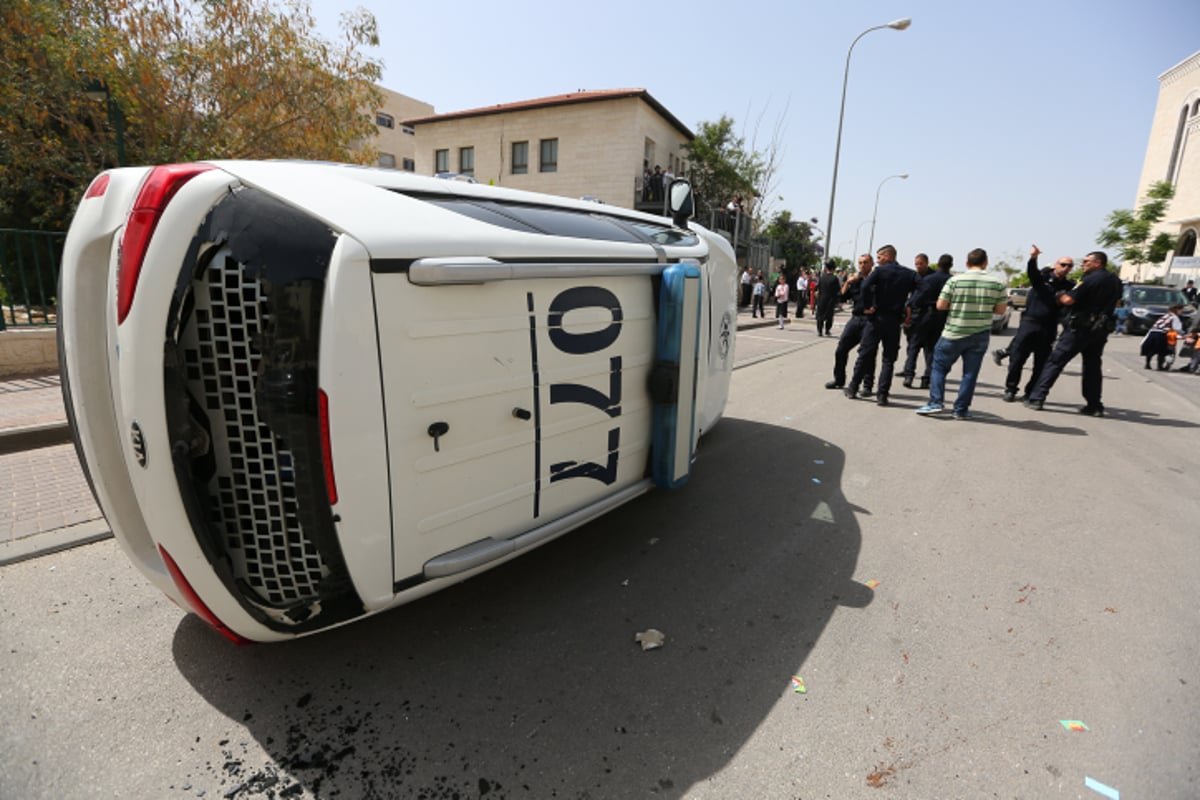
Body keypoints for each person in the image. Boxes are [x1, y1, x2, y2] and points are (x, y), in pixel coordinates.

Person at [1024, 250, 1123, 416]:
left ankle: (1037, 398)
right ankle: (1094, 405)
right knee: (1092, 366)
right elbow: (1118, 303)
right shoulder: (1115, 281)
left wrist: (1059, 295)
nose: (1082, 264)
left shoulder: (1090, 279)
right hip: (1100, 330)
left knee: (1055, 361)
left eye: (1086, 262)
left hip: (1080, 329)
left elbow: (1069, 300)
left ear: (1097, 263)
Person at [915, 248, 1008, 420]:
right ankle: (961, 409)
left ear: (967, 263)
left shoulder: (955, 281)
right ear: (985, 263)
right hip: (980, 334)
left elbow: (941, 305)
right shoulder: (997, 283)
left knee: (939, 368)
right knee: (970, 373)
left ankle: (936, 402)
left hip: (953, 331)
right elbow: (1001, 310)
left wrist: (958, 305)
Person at [846, 244, 918, 406]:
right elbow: (921, 289)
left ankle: (853, 387)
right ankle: (882, 395)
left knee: (864, 354)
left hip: (876, 319)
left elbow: (864, 286)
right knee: (888, 360)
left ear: (887, 256)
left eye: (879, 257)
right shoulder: (909, 274)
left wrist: (867, 307)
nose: (877, 261)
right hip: (894, 322)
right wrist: (909, 305)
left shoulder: (879, 271)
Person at [999, 250, 1075, 402]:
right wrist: (1033, 258)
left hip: (1049, 327)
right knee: (1017, 359)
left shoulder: (1068, 286)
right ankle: (1010, 389)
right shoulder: (1043, 279)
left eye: (1069, 266)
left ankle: (1030, 392)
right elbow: (1032, 273)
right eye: (1063, 264)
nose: (1066, 268)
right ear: (1056, 265)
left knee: (1041, 364)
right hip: (1030, 323)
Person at [824, 254, 875, 395]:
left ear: (871, 264)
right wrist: (847, 282)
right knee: (841, 349)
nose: (862, 265)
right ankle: (839, 379)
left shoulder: (876, 280)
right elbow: (841, 297)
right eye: (860, 263)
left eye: (865, 262)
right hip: (856, 319)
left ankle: (867, 385)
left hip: (870, 321)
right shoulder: (855, 280)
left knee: (867, 354)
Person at [901, 253, 945, 389]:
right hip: (920, 314)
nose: (918, 266)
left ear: (927, 263)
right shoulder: (915, 276)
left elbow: (914, 299)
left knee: (925, 347)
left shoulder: (932, 278)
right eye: (916, 264)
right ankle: (909, 374)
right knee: (913, 346)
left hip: (926, 314)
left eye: (921, 263)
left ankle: (921, 377)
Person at [1140, 303, 1184, 370]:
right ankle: (1160, 366)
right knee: (1162, 351)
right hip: (1162, 334)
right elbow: (1177, 328)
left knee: (1151, 350)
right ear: (1177, 310)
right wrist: (1183, 334)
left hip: (1153, 332)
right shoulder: (1174, 317)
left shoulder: (1165, 316)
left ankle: (1147, 364)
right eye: (1181, 310)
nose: (1181, 312)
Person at [814, 260, 841, 336]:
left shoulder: (822, 277)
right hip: (830, 299)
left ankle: (819, 331)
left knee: (820, 315)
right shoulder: (835, 278)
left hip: (821, 298)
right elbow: (837, 290)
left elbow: (817, 287)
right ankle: (827, 330)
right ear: (833, 268)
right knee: (829, 315)